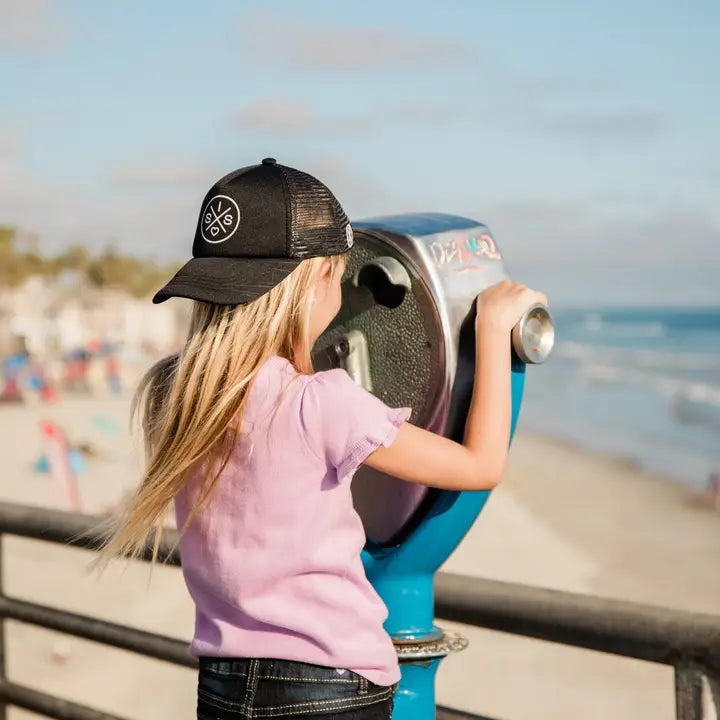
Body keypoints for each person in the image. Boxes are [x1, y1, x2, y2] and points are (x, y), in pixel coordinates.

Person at [98, 158, 545, 720]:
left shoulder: (173, 391)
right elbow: (480, 466)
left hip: (224, 682)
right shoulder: (323, 403)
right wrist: (491, 333)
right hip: (330, 687)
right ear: (318, 281)